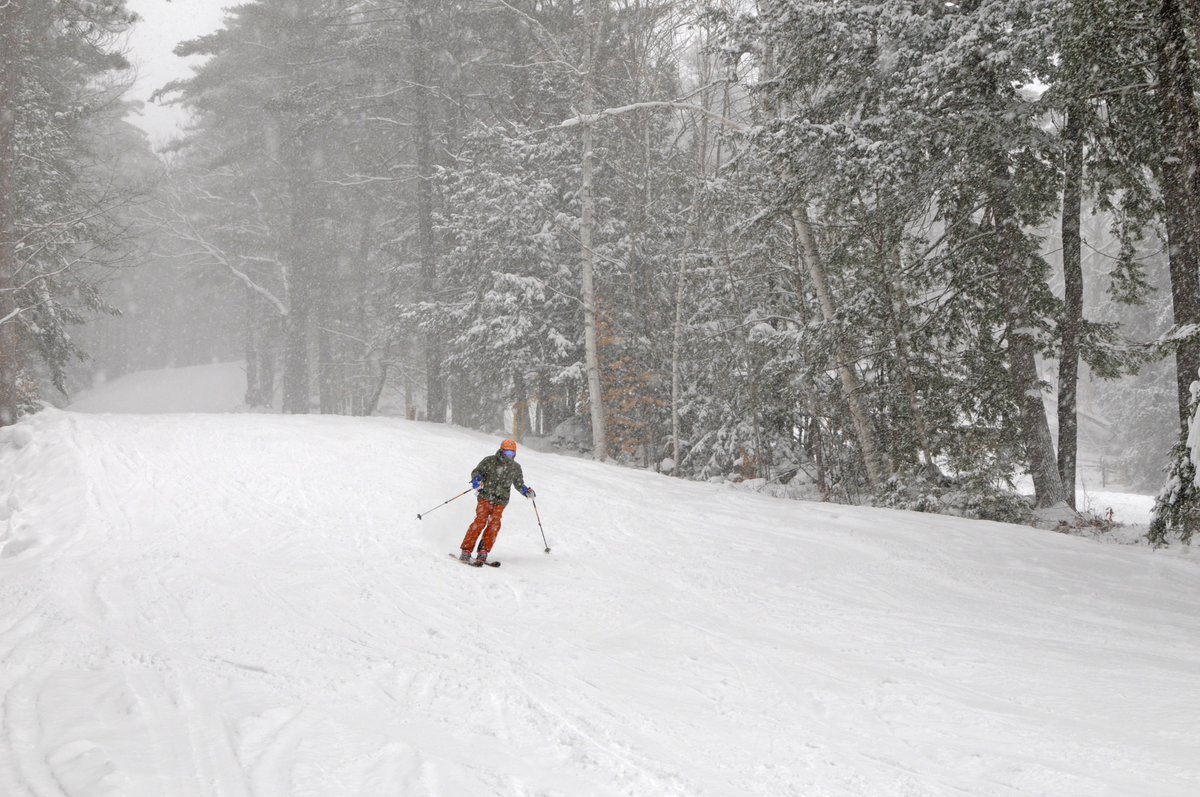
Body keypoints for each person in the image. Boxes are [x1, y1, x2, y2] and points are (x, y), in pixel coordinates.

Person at [459, 439, 535, 564]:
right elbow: (477, 471)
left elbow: (518, 483)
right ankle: (466, 550)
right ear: (501, 450)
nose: (509, 456)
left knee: (494, 524)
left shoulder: (515, 467)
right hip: (485, 496)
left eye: (512, 454)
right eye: (507, 453)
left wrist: (526, 491)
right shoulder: (489, 461)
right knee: (480, 521)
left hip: (501, 500)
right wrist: (477, 479)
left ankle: (483, 551)